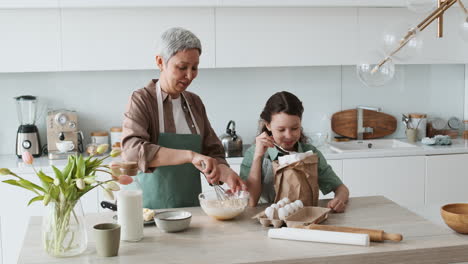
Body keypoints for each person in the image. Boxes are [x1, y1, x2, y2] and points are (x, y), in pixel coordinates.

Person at [122, 27, 246, 209]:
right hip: (150, 211)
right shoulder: (142, 100)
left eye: (194, 67)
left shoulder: (194, 102)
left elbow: (212, 151)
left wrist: (225, 172)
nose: (189, 76)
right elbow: (132, 152)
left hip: (191, 210)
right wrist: (190, 156)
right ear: (160, 62)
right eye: (182, 67)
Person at [240, 91, 349, 212]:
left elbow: (341, 188)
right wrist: (258, 157)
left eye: (294, 128)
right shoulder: (254, 153)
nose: (289, 135)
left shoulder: (311, 153)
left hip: (304, 218)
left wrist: (339, 200)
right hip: (265, 221)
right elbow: (251, 201)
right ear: (268, 125)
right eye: (281, 129)